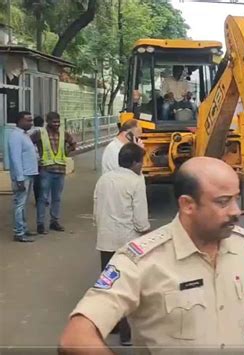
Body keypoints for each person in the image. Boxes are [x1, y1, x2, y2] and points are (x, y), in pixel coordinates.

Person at [59, 157, 244, 355]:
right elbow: (76, 337)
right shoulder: (140, 261)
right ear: (187, 205)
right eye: (223, 202)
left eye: (236, 199)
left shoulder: (242, 246)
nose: (236, 211)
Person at [93, 143, 150, 346]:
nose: (142, 166)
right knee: (128, 287)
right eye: (141, 162)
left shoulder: (104, 179)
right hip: (127, 242)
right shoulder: (136, 181)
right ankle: (127, 335)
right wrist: (146, 232)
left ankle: (110, 325)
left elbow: (96, 208)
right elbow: (140, 218)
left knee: (108, 284)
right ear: (134, 163)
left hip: (105, 240)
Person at [30, 111, 76, 234]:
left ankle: (54, 222)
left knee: (57, 198)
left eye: (58, 122)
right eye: (54, 122)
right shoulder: (40, 133)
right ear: (48, 122)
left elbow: (73, 143)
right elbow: (29, 144)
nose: (56, 124)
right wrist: (35, 158)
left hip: (60, 170)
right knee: (43, 198)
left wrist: (66, 152)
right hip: (46, 170)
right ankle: (40, 224)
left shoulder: (63, 133)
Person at [8, 111, 38, 242]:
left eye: (31, 120)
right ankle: (18, 233)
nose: (31, 123)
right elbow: (15, 159)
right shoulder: (15, 136)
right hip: (22, 176)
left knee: (23, 204)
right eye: (28, 120)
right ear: (19, 121)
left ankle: (23, 229)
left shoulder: (25, 135)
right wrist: (19, 178)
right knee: (19, 204)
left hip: (29, 174)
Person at [31, 115, 44, 205]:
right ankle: (44, 199)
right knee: (45, 180)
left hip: (33, 160)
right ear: (43, 123)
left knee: (36, 181)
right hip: (44, 159)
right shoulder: (45, 132)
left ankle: (37, 200)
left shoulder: (29, 132)